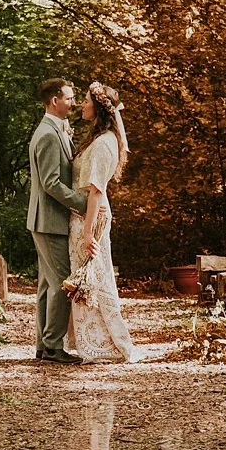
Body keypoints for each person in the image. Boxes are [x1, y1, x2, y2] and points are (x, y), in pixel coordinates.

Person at [67, 81, 134, 363]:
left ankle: (107, 344)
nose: (81, 105)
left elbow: (96, 190)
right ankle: (88, 341)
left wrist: (87, 233)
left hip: (90, 217)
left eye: (85, 101)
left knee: (94, 279)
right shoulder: (97, 139)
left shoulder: (106, 143)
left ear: (98, 108)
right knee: (85, 279)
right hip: (83, 214)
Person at [27, 78, 87, 365]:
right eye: (69, 98)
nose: (73, 103)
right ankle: (53, 347)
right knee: (63, 283)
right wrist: (82, 204)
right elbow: (51, 183)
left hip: (45, 220)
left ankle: (43, 345)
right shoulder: (48, 134)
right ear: (54, 100)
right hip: (49, 220)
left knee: (47, 285)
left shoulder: (55, 130)